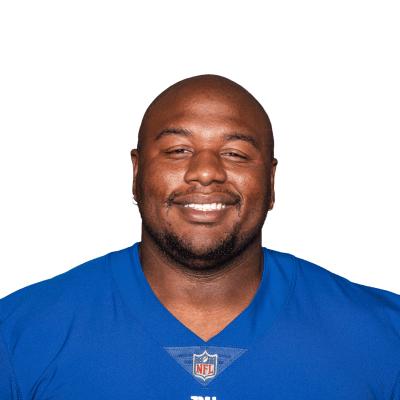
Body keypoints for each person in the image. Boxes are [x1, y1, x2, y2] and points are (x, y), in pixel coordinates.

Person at [1, 74, 399, 400]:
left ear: (272, 182)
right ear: (136, 175)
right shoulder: (17, 334)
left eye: (235, 154)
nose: (206, 172)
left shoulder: (386, 335)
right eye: (177, 150)